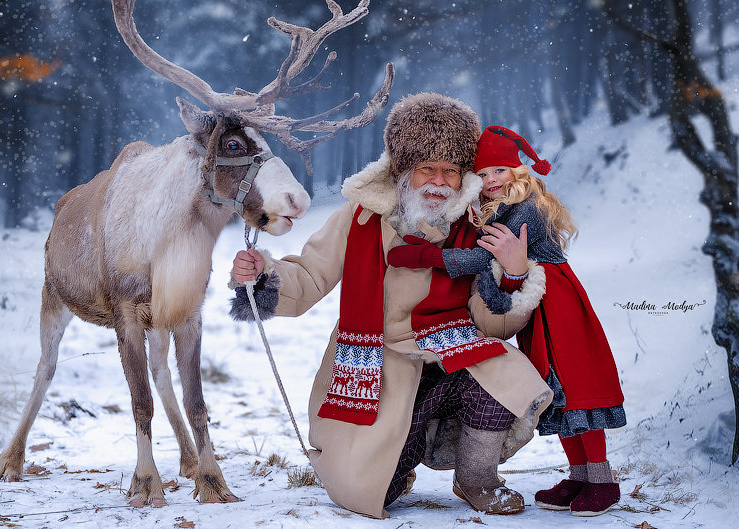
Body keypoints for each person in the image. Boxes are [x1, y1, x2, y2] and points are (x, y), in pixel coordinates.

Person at [229, 93, 552, 518]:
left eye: (450, 171)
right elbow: (309, 276)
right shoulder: (359, 217)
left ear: (463, 177)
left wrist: (511, 275)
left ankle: (477, 478)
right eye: (426, 168)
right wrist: (264, 275)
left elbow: (494, 326)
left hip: (451, 357)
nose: (438, 181)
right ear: (404, 171)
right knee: (375, 493)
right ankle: (401, 455)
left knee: (504, 374)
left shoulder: (478, 227)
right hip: (378, 366)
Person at [388, 125, 626, 517]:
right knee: (555, 389)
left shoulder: (527, 210)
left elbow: (486, 259)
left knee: (576, 384)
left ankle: (601, 480)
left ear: (518, 171)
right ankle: (580, 474)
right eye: (481, 175)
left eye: (499, 171)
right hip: (536, 305)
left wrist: (423, 257)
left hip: (558, 303)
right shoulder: (500, 210)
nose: (490, 181)